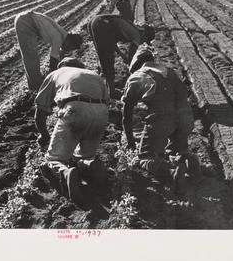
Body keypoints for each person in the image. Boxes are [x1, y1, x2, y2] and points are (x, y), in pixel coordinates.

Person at [121, 46, 200, 195]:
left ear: (136, 65)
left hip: (163, 118)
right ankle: (190, 161)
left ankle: (172, 172)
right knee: (177, 148)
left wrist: (131, 142)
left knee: (144, 157)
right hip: (186, 117)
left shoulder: (138, 76)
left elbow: (126, 114)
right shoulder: (169, 71)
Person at [34, 57, 110, 202]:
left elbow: (40, 111)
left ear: (61, 66)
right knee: (84, 156)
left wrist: (44, 135)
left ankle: (66, 173)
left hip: (74, 108)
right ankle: (91, 165)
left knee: (54, 159)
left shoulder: (57, 73)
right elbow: (107, 101)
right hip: (101, 112)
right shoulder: (94, 75)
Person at [87, 14, 155, 98]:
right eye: (145, 40)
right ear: (146, 35)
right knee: (108, 59)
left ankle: (103, 85)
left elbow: (111, 42)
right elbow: (132, 52)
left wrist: (122, 55)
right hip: (103, 24)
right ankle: (111, 92)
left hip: (96, 20)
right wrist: (131, 68)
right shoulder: (137, 34)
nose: (143, 42)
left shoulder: (133, 27)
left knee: (102, 56)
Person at [14, 10, 83, 91]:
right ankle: (36, 86)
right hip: (26, 22)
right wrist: (54, 78)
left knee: (31, 56)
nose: (68, 50)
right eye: (70, 48)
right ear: (69, 43)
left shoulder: (62, 34)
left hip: (26, 18)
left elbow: (60, 53)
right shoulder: (58, 38)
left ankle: (35, 83)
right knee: (31, 57)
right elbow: (53, 61)